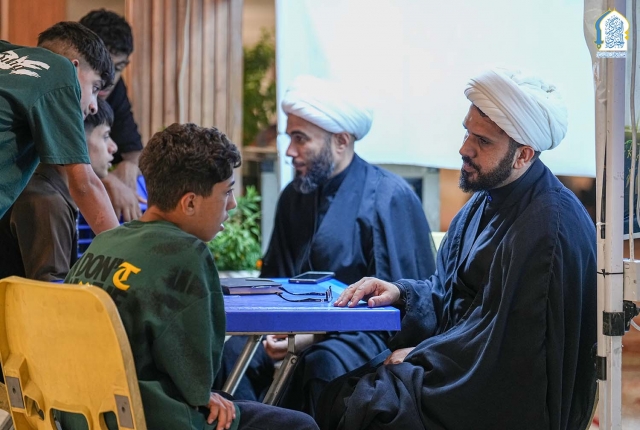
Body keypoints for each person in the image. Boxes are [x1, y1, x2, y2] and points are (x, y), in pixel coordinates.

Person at [317, 68, 597, 430]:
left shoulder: (548, 226)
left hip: (502, 397)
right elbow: (448, 295)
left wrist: (421, 355)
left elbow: (510, 351)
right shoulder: (483, 201)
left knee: (367, 407)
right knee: (334, 386)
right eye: (467, 132)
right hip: (459, 368)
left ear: (523, 155)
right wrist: (400, 293)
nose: (465, 148)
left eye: (483, 141)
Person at [61, 123, 319, 430]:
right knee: (301, 424)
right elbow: (197, 381)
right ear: (190, 202)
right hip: (146, 418)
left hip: (80, 413)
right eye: (227, 192)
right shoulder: (186, 254)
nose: (233, 204)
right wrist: (202, 394)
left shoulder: (104, 242)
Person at [216, 76, 437, 411]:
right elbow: (273, 281)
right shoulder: (293, 197)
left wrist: (312, 336)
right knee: (230, 353)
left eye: (300, 139)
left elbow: (403, 312)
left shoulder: (389, 197)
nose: (289, 152)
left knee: (320, 363)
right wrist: (278, 331)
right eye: (290, 138)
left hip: (363, 338)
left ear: (341, 141)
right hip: (293, 330)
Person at [0, 21, 118, 233]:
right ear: (74, 68)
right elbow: (85, 185)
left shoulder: (6, 54)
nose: (94, 106)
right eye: (95, 87)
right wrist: (124, 249)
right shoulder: (62, 71)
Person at [0, 98, 117, 282]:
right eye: (105, 136)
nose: (113, 147)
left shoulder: (46, 188)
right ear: (75, 140)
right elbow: (51, 292)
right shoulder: (46, 201)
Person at [80, 9, 144, 222]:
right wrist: (104, 178)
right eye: (103, 66)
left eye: (118, 68)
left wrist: (129, 166)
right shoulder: (58, 89)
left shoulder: (114, 89)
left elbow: (134, 151)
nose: (110, 79)